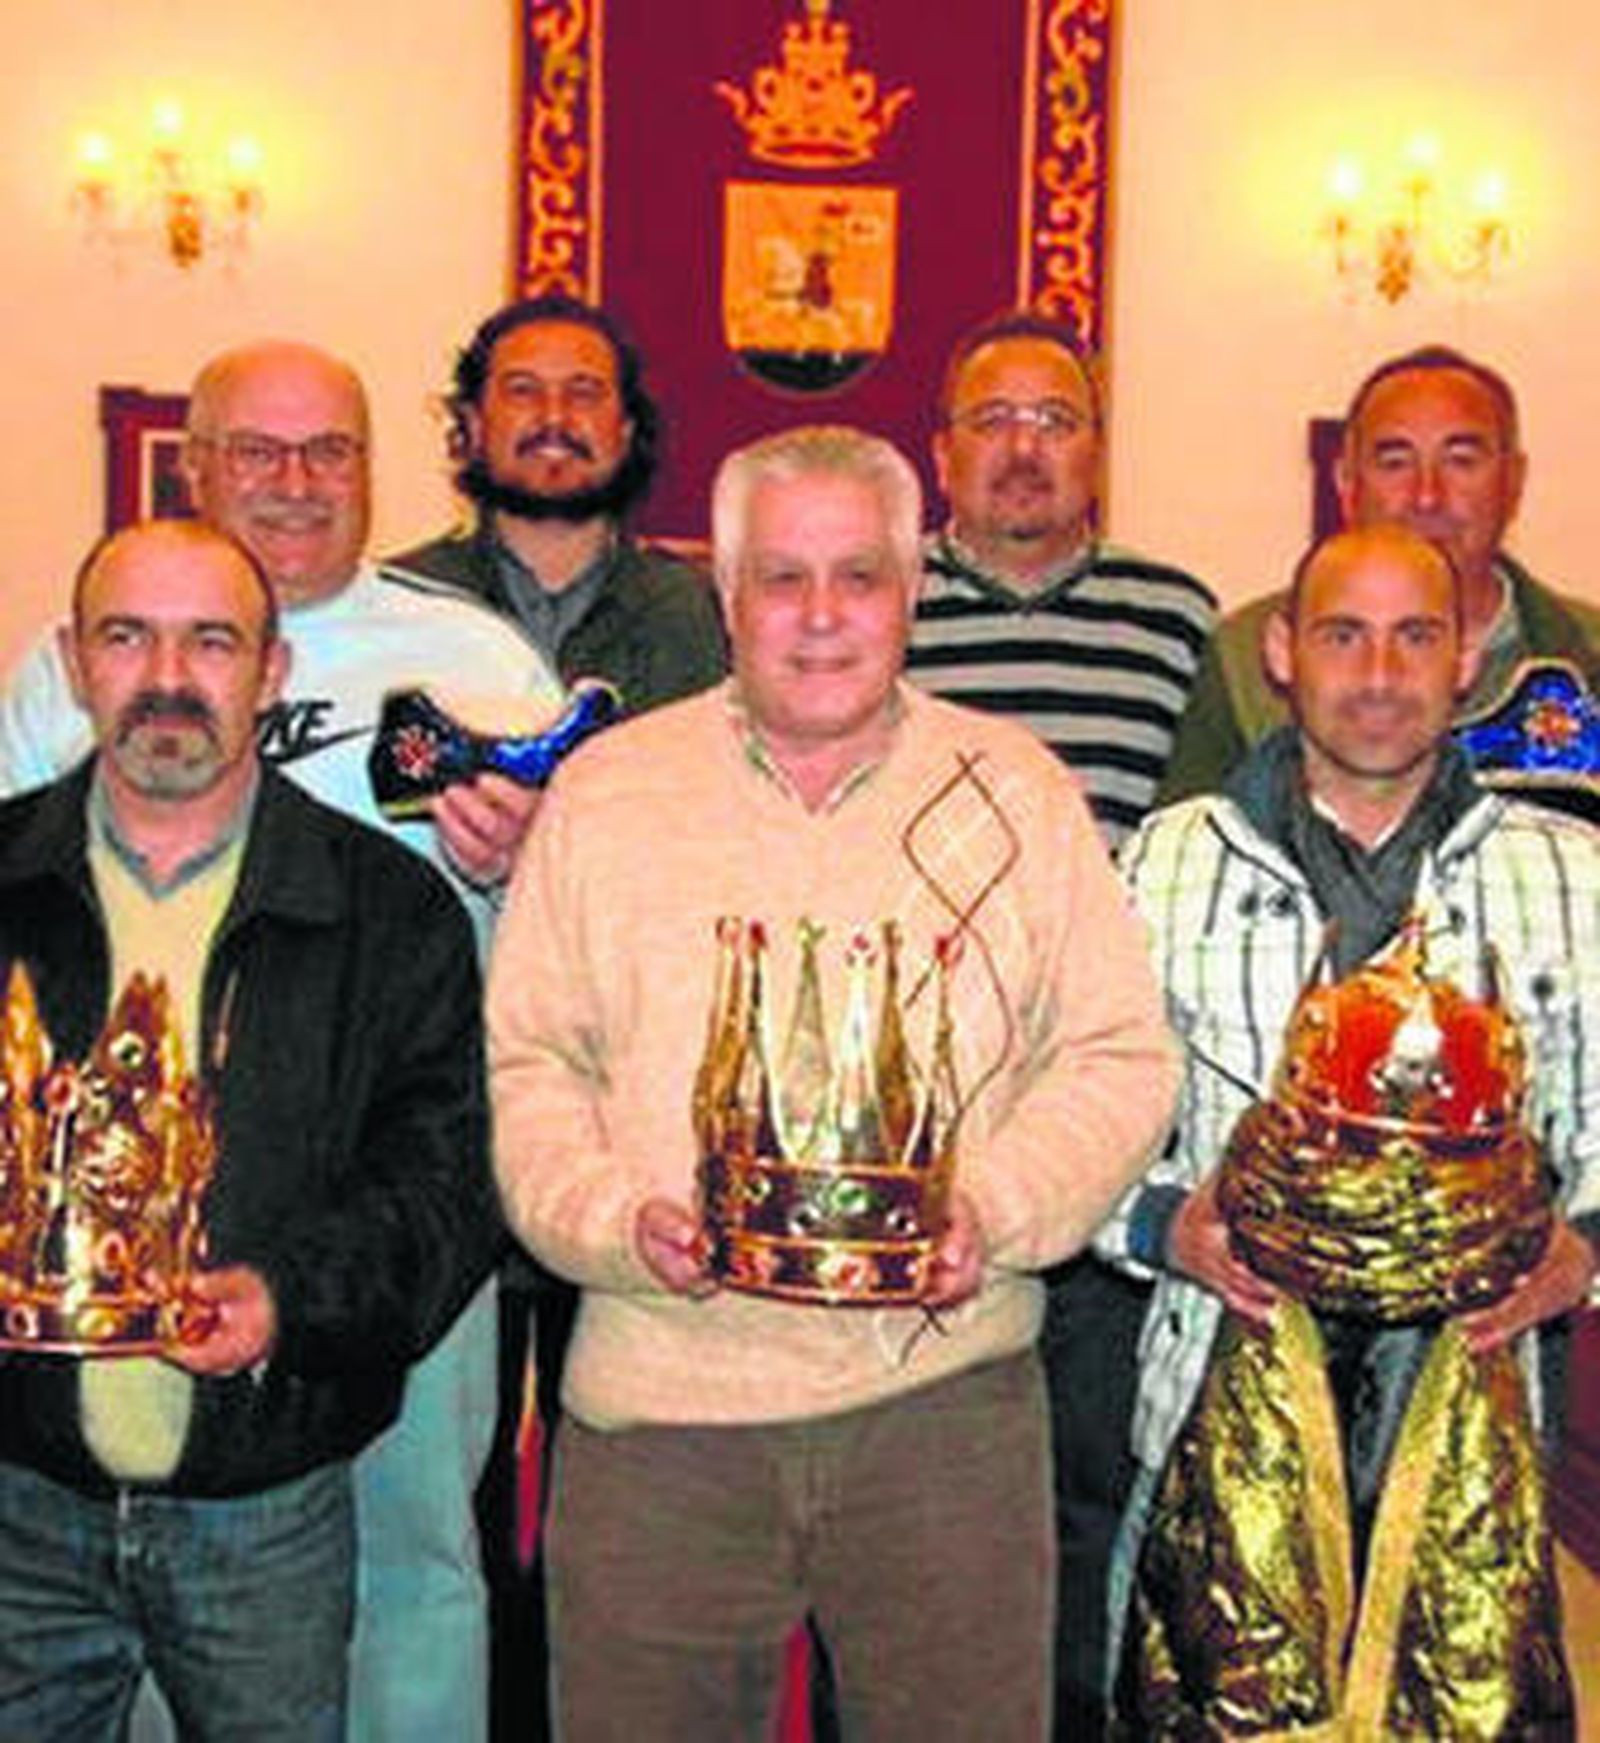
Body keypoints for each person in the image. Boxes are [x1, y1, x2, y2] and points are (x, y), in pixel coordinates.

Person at [487, 424, 1179, 1741]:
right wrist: (613, 1224)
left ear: (912, 588)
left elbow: (1116, 1053)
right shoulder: (606, 794)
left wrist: (997, 1209)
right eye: (781, 578)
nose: (819, 617)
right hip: (658, 1416)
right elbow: (531, 1063)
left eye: (857, 576)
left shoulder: (1020, 791)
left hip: (946, 1415)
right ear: (724, 591)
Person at [0, 340, 565, 1742]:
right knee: (127, 1586)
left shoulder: (478, 657)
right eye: (258, 450)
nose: (296, 481)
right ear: (193, 464)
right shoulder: (49, 687)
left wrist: (525, 865)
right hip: (81, 1326)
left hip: (385, 1207)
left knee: (412, 1561)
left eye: (331, 451)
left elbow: (565, 936)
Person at [1103, 523, 1600, 1735]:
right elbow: (1080, 1115)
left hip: (1472, 1429)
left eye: (1413, 637)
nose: (1378, 675)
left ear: (1467, 657)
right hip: (1209, 1409)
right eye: (1342, 635)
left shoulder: (1570, 875)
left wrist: (1579, 1253)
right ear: (1280, 651)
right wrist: (1164, 1227)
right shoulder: (1165, 864)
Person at [906, 311, 1216, 1730]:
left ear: (1098, 448)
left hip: (1101, 1126)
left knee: (1093, 1492)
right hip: (918, 1126)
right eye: (994, 418)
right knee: (902, 1509)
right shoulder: (878, 604)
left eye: (1056, 418)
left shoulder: (1180, 622)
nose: (1024, 446)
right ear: (941, 450)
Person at [1161, 344, 1600, 802]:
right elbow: (1191, 836)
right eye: (1395, 463)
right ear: (1346, 482)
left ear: (1514, 480)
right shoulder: (1246, 658)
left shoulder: (1585, 653)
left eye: (1461, 461)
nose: (1427, 496)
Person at [388, 292, 727, 713]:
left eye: (584, 393)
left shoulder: (702, 613)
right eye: (522, 391)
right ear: (473, 426)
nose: (554, 417)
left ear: (625, 431)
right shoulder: (398, 604)